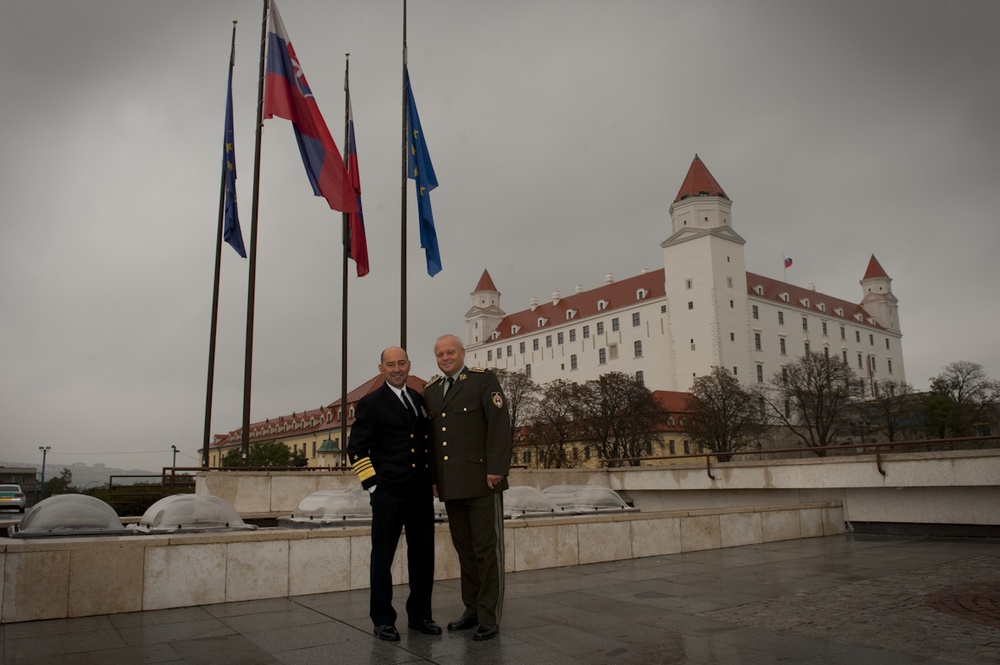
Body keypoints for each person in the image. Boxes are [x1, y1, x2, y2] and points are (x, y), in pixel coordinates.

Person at [347, 346, 441, 641]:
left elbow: (426, 445)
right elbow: (357, 450)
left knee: (423, 556)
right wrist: (374, 486)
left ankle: (420, 616)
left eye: (401, 363)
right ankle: (383, 619)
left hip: (419, 492)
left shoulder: (418, 399)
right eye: (391, 364)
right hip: (389, 492)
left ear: (409, 365)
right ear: (381, 369)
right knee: (383, 558)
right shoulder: (371, 402)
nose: (397, 368)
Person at [424, 334, 512, 642]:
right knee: (465, 551)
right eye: (440, 354)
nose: (445, 357)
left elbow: (500, 424)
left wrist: (497, 468)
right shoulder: (432, 391)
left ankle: (489, 616)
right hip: (451, 485)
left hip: (482, 480)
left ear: (462, 353)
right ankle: (472, 609)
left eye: (450, 352)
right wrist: (434, 478)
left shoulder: (482, 381)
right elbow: (433, 441)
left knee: (487, 550)